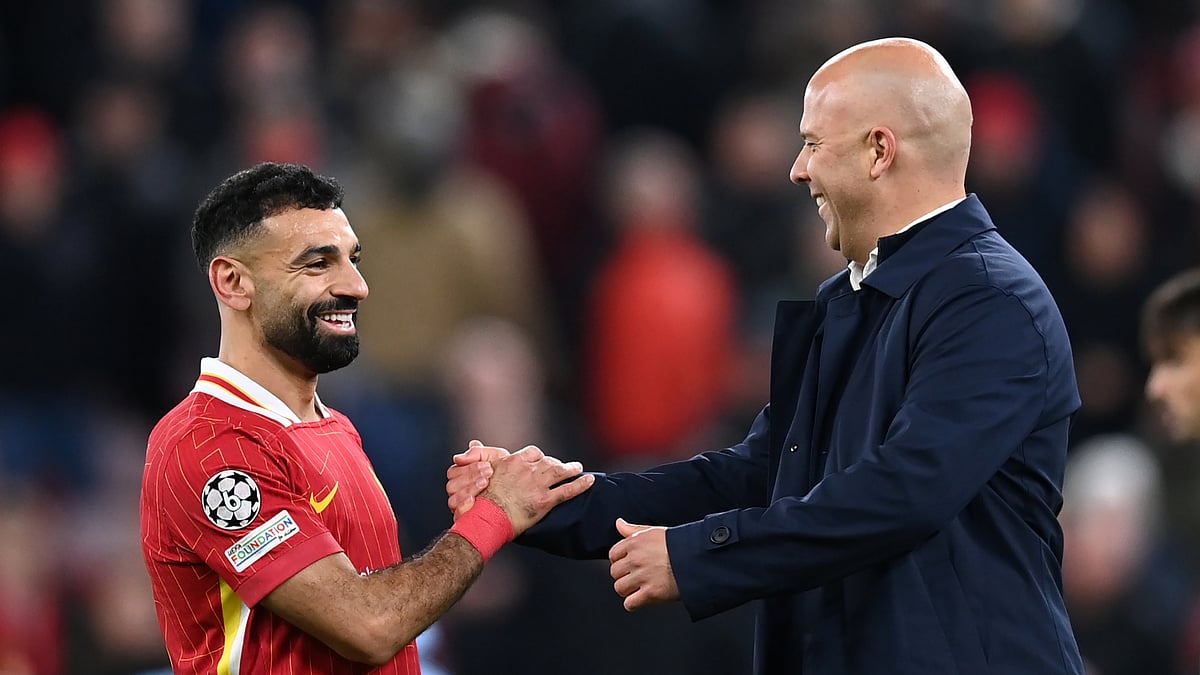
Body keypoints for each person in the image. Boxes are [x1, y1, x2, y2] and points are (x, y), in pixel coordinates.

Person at [448, 37, 1085, 674]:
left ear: (878, 151)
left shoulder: (991, 300)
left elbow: (907, 490)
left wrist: (699, 556)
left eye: (812, 143)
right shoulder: (852, 300)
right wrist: (545, 505)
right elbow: (753, 477)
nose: (796, 170)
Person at [139, 161, 594, 674]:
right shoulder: (212, 445)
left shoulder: (333, 428)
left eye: (353, 260)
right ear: (232, 282)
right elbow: (369, 626)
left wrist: (471, 517)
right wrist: (492, 517)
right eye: (317, 264)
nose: (356, 286)